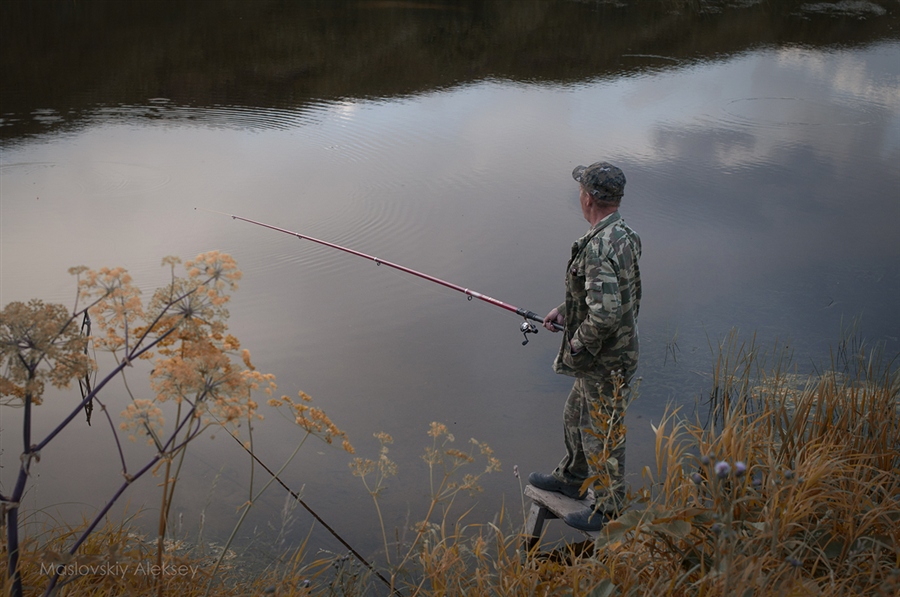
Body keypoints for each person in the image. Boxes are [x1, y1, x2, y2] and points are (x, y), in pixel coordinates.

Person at [529, 161, 642, 532]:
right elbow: (614, 294)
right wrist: (565, 311)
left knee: (602, 434)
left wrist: (576, 342)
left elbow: (607, 314)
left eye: (581, 189)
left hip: (605, 360)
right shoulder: (624, 234)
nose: (579, 195)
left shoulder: (598, 248)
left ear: (588, 197)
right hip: (610, 356)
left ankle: (609, 510)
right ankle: (573, 477)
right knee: (575, 416)